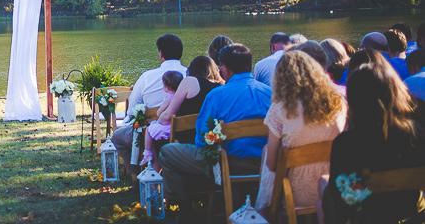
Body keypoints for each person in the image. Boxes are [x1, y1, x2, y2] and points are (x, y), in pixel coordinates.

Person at [159, 44, 272, 223]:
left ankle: (187, 212)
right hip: (266, 163)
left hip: (228, 163)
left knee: (168, 152)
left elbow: (202, 138)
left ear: (225, 69)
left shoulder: (218, 95)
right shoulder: (270, 93)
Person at [324, 56, 425, 223]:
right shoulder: (417, 134)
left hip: (366, 217)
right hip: (413, 216)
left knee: (327, 193)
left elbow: (344, 197)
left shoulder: (346, 143)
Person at [254, 51, 345, 212]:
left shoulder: (280, 109)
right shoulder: (337, 103)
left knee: (268, 152)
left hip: (293, 195)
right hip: (332, 188)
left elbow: (272, 164)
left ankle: (265, 213)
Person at [111, 34, 188, 173]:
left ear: (161, 54)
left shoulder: (147, 77)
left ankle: (136, 174)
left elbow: (132, 109)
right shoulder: (189, 75)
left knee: (117, 137)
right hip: (183, 132)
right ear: (181, 53)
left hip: (151, 134)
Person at [171, 56, 224, 141]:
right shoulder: (222, 87)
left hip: (188, 138)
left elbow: (168, 114)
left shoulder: (191, 81)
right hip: (213, 139)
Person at [141, 70, 184, 171]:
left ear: (166, 86)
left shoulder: (168, 98)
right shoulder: (181, 97)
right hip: (173, 127)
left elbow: (160, 111)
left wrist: (158, 112)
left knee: (149, 130)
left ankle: (147, 152)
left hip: (166, 125)